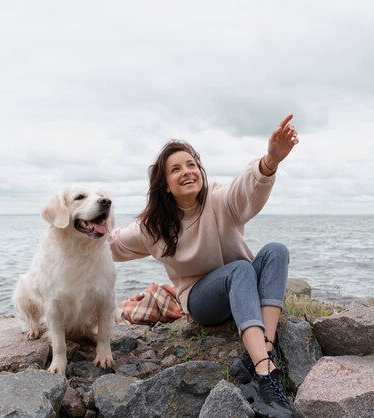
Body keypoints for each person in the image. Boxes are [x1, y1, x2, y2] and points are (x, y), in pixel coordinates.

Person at [108, 114, 299, 418]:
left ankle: (261, 352)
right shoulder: (153, 226)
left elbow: (247, 188)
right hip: (202, 300)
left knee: (276, 251)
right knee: (241, 269)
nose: (187, 171)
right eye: (176, 169)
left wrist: (270, 161)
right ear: (166, 185)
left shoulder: (219, 199)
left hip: (242, 287)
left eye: (191, 165)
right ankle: (266, 375)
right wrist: (78, 231)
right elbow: (113, 245)